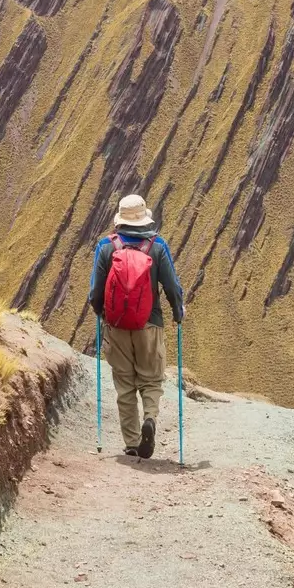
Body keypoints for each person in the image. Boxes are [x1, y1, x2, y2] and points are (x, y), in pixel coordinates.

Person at [89, 194, 185, 459]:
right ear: (144, 218)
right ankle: (150, 418)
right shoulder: (158, 246)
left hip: (117, 326)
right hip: (150, 325)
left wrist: (101, 313)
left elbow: (96, 291)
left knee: (125, 385)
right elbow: (171, 287)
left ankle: (132, 443)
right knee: (151, 379)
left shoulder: (106, 247)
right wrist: (178, 313)